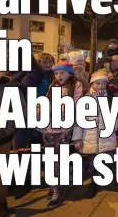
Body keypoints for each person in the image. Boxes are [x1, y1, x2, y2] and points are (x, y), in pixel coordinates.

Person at [42, 61, 84, 208]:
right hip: (48, 128)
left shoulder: (75, 86)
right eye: (57, 73)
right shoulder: (52, 86)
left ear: (70, 73)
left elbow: (77, 106)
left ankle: (58, 189)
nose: (59, 76)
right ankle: (54, 185)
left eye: (62, 73)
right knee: (49, 159)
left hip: (64, 129)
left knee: (60, 160)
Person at [73, 69, 118, 199]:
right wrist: (77, 138)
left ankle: (104, 179)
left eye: (103, 83)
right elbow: (78, 121)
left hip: (106, 136)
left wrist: (112, 127)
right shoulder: (85, 99)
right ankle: (94, 183)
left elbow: (116, 117)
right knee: (92, 164)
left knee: (105, 160)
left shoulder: (110, 98)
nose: (100, 86)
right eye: (97, 83)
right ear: (92, 83)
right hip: (89, 137)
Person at [0, 58, 25, 217]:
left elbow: (20, 113)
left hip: (1, 141)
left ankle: (0, 205)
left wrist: (6, 130)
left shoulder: (10, 88)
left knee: (1, 175)